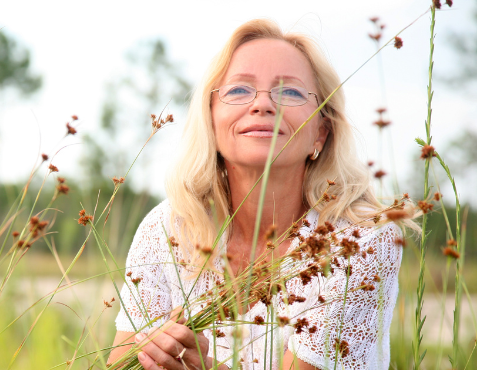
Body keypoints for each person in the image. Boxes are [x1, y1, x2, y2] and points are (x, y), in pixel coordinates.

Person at [107, 19, 407, 370]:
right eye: (238, 90)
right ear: (211, 121)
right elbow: (120, 363)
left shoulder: (359, 240)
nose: (263, 104)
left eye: (290, 92)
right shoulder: (168, 228)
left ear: (320, 133)